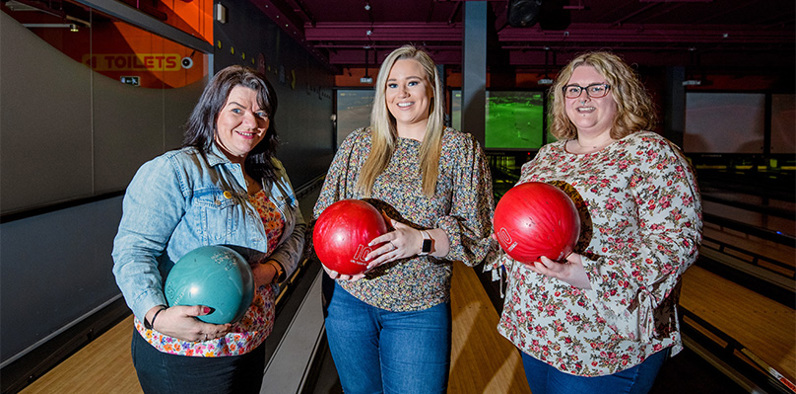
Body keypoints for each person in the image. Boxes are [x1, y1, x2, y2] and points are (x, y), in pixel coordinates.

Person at [492, 51, 702, 393]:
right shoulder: (548, 155)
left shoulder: (650, 152)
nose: (583, 97)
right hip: (536, 331)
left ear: (621, 94)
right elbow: (516, 221)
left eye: (597, 88)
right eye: (573, 90)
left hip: (604, 343)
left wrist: (595, 276)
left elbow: (679, 241)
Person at [313, 45, 496, 393]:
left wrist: (420, 240)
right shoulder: (359, 145)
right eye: (392, 84)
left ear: (432, 89)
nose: (402, 93)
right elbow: (325, 212)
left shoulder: (459, 150)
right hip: (351, 301)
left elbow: (479, 237)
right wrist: (329, 259)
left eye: (412, 82)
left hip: (419, 310)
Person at [111, 65, 305, 393]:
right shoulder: (177, 170)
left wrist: (271, 271)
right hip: (189, 351)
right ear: (213, 111)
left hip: (251, 339)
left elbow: (297, 230)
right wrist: (155, 316)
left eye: (261, 113)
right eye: (237, 110)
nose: (252, 122)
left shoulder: (272, 171)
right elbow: (134, 249)